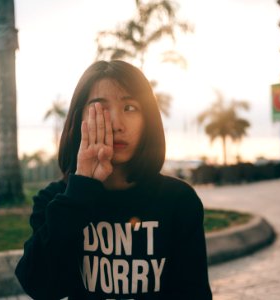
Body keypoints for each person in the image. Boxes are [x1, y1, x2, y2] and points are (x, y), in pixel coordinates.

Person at [15, 60, 212, 300]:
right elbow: (41, 287)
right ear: (79, 121)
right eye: (100, 109)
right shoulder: (55, 200)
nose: (117, 124)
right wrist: (80, 190)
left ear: (147, 119)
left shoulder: (178, 201)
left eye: (130, 108)